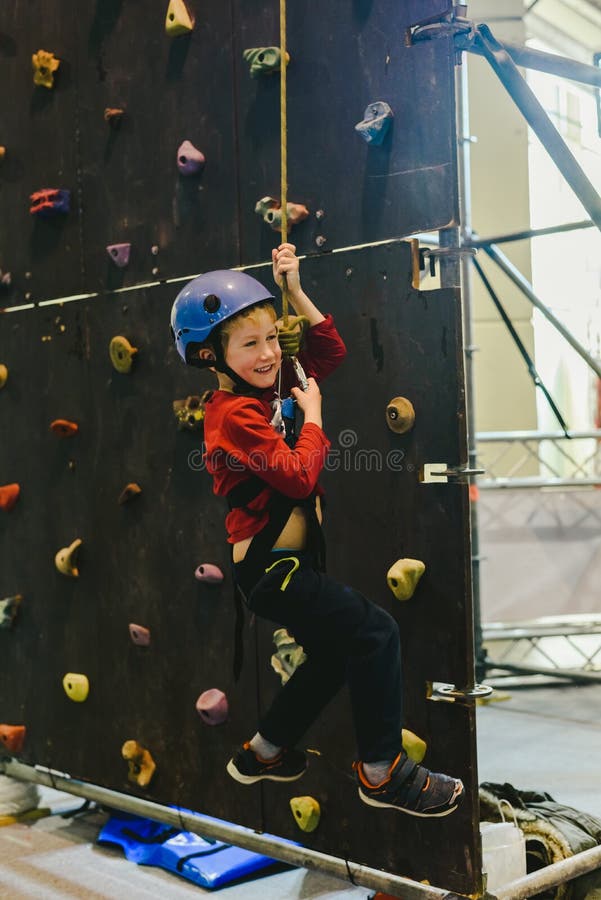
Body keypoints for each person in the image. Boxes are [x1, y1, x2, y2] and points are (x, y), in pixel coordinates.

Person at [170, 244, 464, 817]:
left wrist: (296, 291)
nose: (268, 354)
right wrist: (317, 418)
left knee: (333, 655)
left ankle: (264, 751)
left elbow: (329, 350)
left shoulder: (268, 390)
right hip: (271, 570)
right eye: (249, 344)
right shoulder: (233, 416)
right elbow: (298, 478)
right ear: (213, 355)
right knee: (376, 634)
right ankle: (383, 773)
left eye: (272, 340)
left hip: (285, 566)